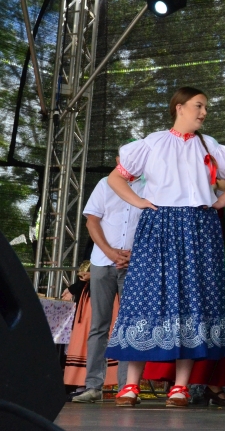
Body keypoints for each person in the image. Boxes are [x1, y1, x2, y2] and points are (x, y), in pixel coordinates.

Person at [105, 86, 225, 408]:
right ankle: (130, 385)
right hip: (160, 225)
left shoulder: (211, 147)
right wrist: (140, 201)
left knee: (192, 299)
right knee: (144, 296)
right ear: (179, 107)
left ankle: (180, 387)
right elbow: (116, 178)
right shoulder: (153, 142)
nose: (204, 112)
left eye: (205, 107)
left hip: (199, 226)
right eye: (198, 106)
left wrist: (219, 202)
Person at [141, 149, 225, 406]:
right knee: (187, 312)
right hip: (196, 265)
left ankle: (215, 382)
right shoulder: (190, 199)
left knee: (219, 319)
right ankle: (187, 382)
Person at [70, 168, 145, 403]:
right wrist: (111, 253)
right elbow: (92, 222)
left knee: (130, 325)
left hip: (136, 263)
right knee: (99, 325)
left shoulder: (150, 185)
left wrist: (135, 254)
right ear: (118, 161)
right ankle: (93, 386)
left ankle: (127, 387)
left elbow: (154, 227)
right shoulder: (105, 183)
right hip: (102, 262)